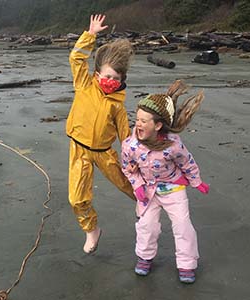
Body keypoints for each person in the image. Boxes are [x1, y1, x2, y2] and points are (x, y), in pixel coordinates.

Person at [121, 80, 208, 283]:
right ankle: (144, 257)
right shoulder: (130, 145)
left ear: (158, 125)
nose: (138, 124)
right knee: (147, 226)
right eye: (137, 119)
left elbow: (187, 162)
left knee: (182, 225)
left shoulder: (173, 145)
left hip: (173, 188)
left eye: (144, 121)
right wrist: (137, 185)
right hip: (148, 191)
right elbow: (127, 168)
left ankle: (187, 264)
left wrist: (197, 181)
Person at [67, 14, 136, 254]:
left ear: (121, 81)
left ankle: (149, 205)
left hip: (105, 153)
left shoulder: (117, 104)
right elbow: (76, 58)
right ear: (97, 75)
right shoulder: (84, 84)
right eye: (107, 76)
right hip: (79, 149)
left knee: (129, 184)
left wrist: (136, 159)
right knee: (77, 198)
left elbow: (127, 138)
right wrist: (91, 35)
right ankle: (91, 230)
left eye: (115, 79)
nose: (110, 81)